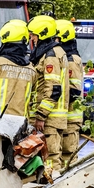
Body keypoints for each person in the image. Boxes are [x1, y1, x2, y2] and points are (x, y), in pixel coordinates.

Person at [27, 15, 69, 170]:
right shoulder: (54, 52)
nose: (32, 38)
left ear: (42, 34)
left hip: (49, 119)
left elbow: (53, 89)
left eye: (34, 35)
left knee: (50, 160)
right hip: (51, 118)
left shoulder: (50, 56)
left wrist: (41, 116)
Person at [56, 19, 84, 166]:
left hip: (70, 120)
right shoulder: (66, 57)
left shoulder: (71, 60)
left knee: (68, 159)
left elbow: (73, 91)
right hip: (64, 119)